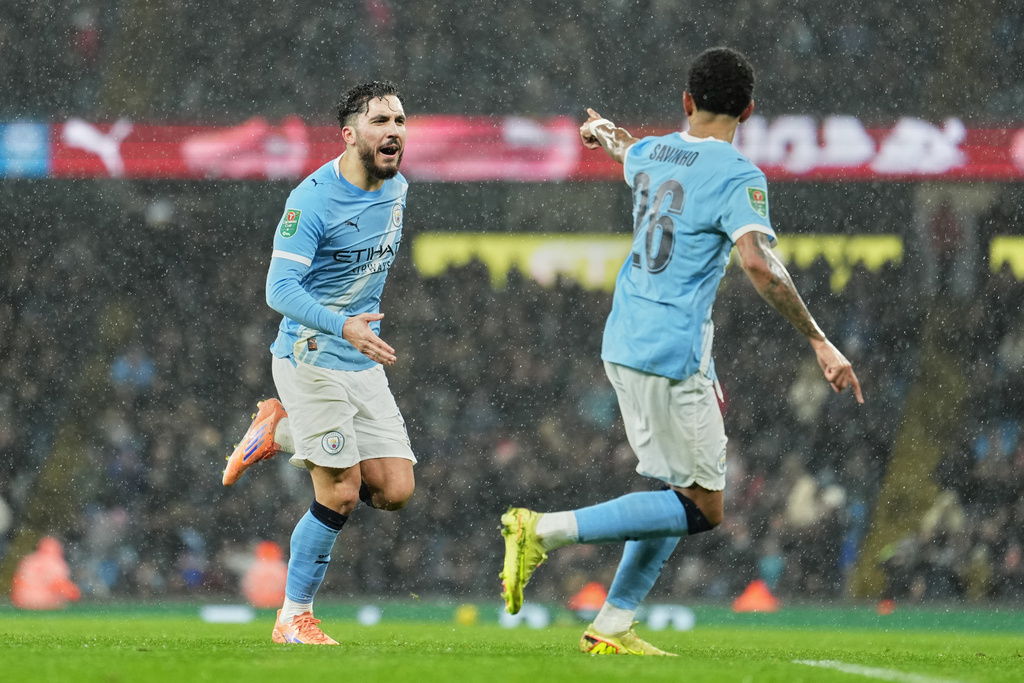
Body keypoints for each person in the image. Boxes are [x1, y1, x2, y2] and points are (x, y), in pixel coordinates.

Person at [499, 48, 863, 656]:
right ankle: (543, 530)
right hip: (671, 350)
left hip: (625, 336)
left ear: (687, 101)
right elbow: (758, 264)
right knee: (704, 508)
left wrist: (602, 131)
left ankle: (613, 624)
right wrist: (818, 339)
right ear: (749, 110)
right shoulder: (739, 175)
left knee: (676, 489)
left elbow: (625, 149)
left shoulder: (652, 151)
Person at [222, 80, 416, 645]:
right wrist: (343, 324)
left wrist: (357, 329)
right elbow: (278, 289)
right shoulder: (311, 200)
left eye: (400, 121)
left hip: (360, 361)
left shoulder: (398, 187)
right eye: (380, 121)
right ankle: (293, 617)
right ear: (349, 134)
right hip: (309, 356)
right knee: (340, 492)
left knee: (395, 491)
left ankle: (279, 431)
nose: (394, 132)